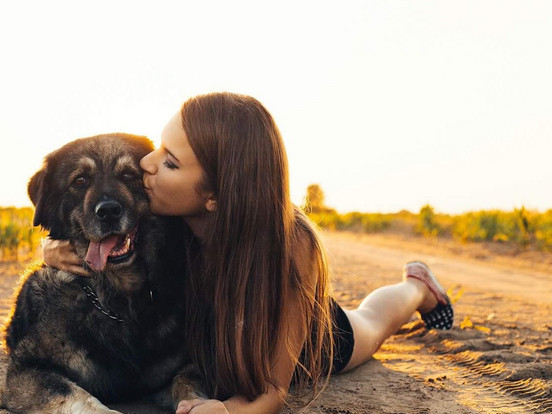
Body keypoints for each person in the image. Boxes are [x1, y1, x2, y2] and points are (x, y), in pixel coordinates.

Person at [43, 92, 453, 414]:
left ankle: (416, 288)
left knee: (371, 322)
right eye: (158, 148)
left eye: (169, 162)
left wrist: (227, 410)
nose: (146, 163)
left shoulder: (292, 245)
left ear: (214, 196)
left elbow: (273, 392)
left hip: (303, 337)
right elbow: (80, 219)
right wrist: (51, 249)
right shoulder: (161, 219)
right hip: (221, 339)